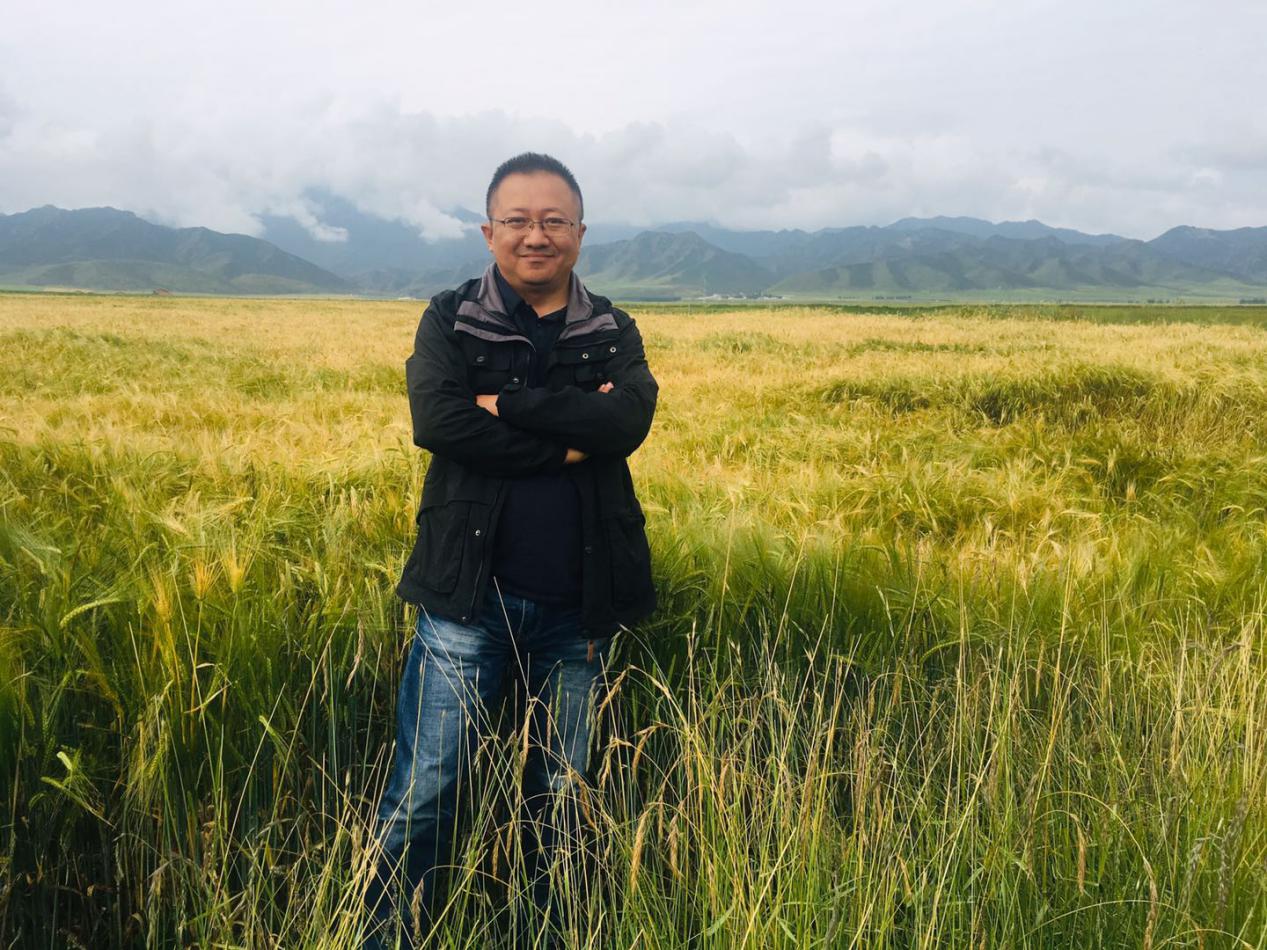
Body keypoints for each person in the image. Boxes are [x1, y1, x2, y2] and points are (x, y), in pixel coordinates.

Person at [363, 152, 658, 948]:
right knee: (425, 790)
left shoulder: (611, 328)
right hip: (465, 605)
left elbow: (626, 422)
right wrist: (568, 441)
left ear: (580, 233)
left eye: (554, 221)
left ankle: (547, 934)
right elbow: (440, 422)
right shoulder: (450, 317)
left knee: (563, 798)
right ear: (488, 231)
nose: (537, 235)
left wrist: (508, 403)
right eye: (519, 220)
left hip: (579, 609)